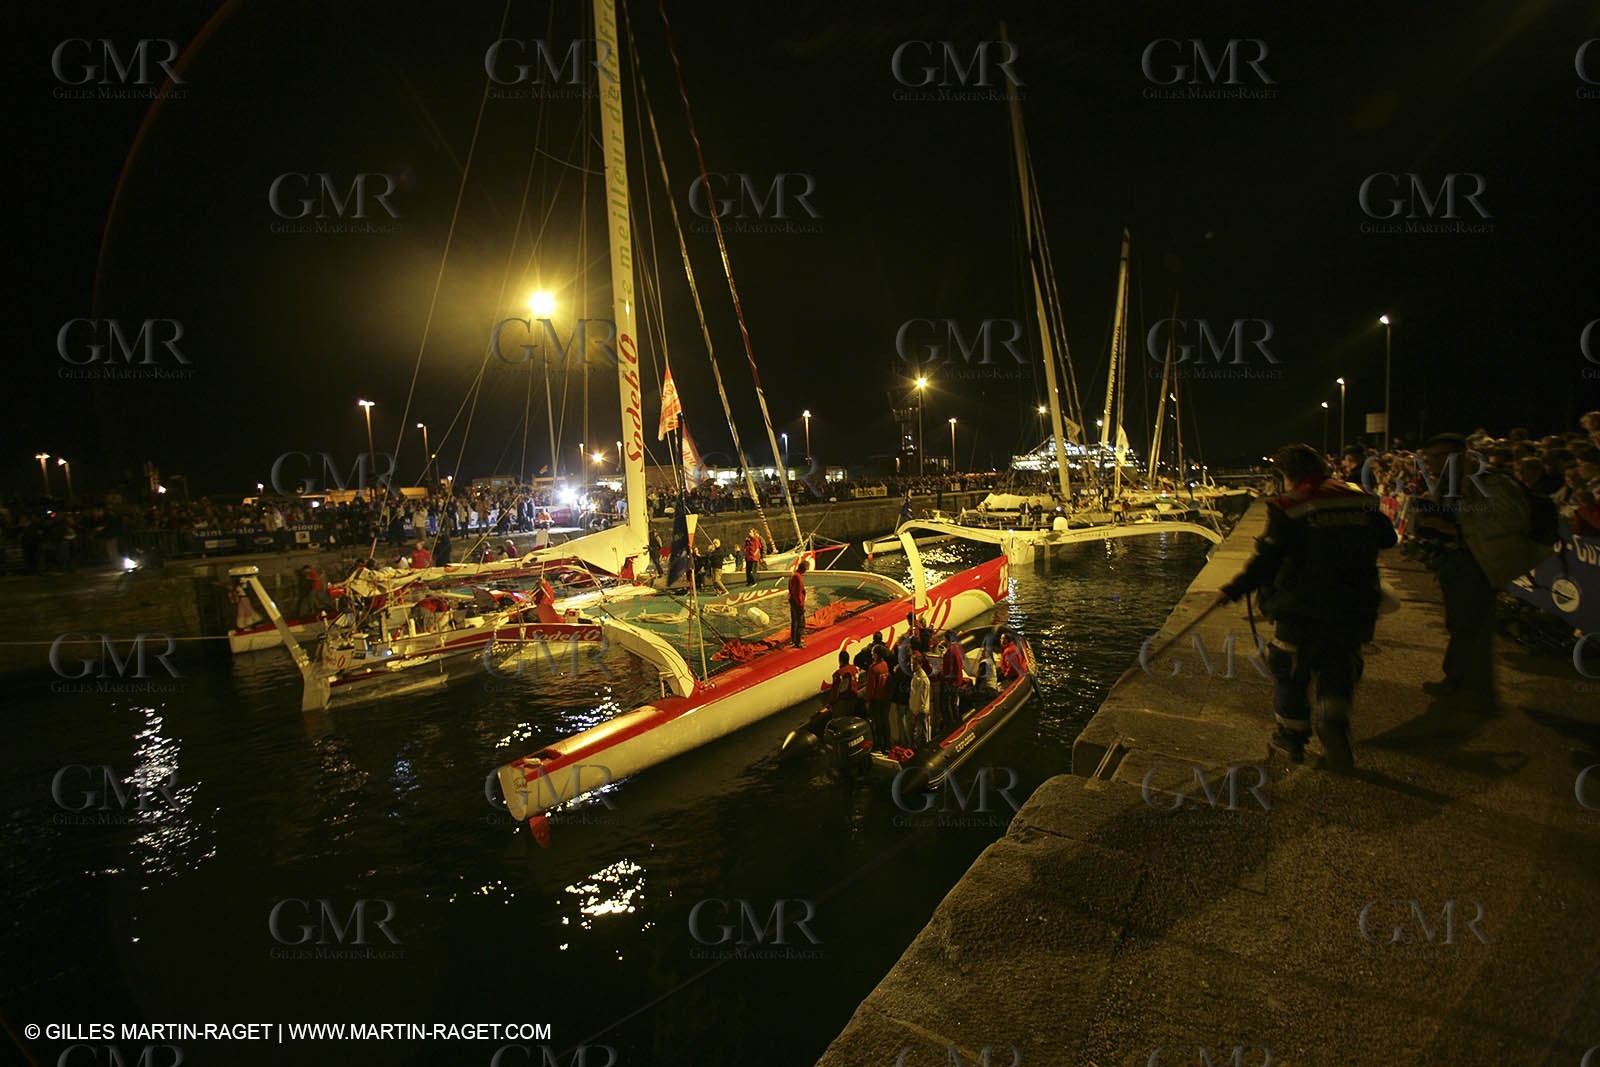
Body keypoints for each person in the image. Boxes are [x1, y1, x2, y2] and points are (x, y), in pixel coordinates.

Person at [1215, 443, 1397, 769]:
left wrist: (1233, 589)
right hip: (1355, 606)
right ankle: (1334, 717)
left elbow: (1267, 561)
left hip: (1303, 607)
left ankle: (1290, 739)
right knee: (1339, 665)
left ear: (1288, 475)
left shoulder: (1292, 506)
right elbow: (1389, 539)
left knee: (1291, 672)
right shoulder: (1360, 497)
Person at [1415, 433, 1555, 707]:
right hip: (1458, 561)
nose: (1429, 463)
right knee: (1462, 623)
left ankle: (1469, 687)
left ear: (1455, 456)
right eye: (1428, 457)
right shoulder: (1451, 483)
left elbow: (1508, 522)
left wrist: (1451, 527)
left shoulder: (1491, 482)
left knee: (1471, 625)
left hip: (1478, 563)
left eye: (1436, 457)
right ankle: (1470, 685)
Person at [938, 630, 969, 734]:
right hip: (957, 680)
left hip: (950, 682)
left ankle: (950, 726)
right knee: (954, 703)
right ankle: (957, 722)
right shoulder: (958, 647)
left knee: (946, 704)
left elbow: (948, 669)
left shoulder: (950, 651)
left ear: (947, 639)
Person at [864, 644, 892, 751]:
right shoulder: (885, 665)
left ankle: (878, 745)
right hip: (885, 698)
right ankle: (887, 744)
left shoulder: (873, 669)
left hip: (876, 700)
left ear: (876, 655)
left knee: (877, 723)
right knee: (885, 721)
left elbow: (871, 687)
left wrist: (868, 700)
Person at [824, 650, 861, 719]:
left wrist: (831, 702)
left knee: (840, 718)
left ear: (840, 660)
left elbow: (836, 690)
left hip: (843, 700)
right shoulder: (854, 669)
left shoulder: (839, 674)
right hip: (854, 697)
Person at [908, 654, 933, 745]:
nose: (912, 666)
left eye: (914, 664)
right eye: (911, 663)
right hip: (915, 710)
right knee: (917, 734)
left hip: (920, 711)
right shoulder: (916, 675)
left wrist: (916, 713)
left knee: (923, 733)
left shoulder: (923, 679)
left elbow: (922, 698)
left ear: (920, 664)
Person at [787, 559, 808, 648]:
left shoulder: (793, 575)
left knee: (794, 621)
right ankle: (798, 641)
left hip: (792, 600)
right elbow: (798, 593)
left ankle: (793, 639)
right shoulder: (798, 578)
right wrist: (801, 605)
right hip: (797, 603)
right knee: (800, 622)